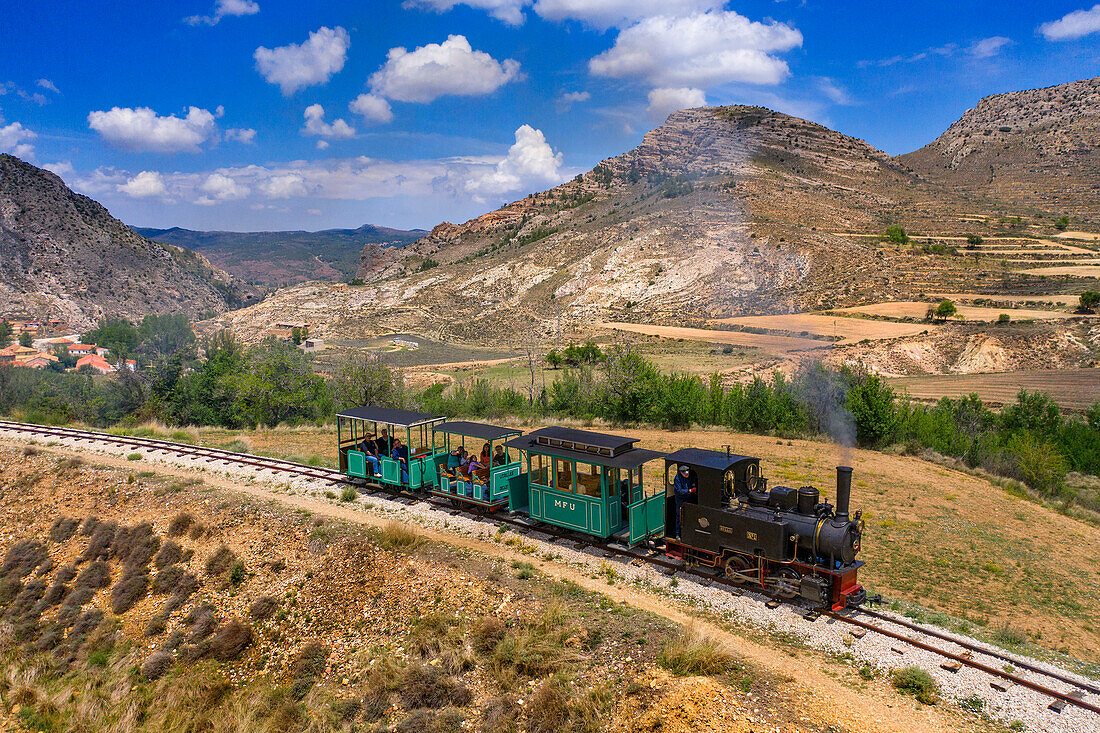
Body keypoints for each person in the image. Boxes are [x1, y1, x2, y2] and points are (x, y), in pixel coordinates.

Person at [673, 464, 698, 538]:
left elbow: (693, 482)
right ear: (681, 473)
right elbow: (679, 490)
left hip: (689, 497)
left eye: (687, 474)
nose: (687, 475)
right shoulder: (677, 478)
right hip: (681, 499)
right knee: (679, 515)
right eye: (685, 474)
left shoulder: (691, 476)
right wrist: (689, 490)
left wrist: (694, 488)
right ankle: (677, 533)